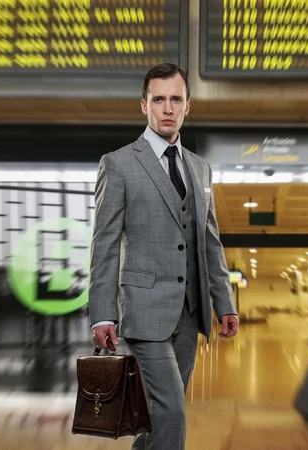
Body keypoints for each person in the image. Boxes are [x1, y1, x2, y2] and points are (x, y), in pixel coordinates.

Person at [88, 63, 239, 450]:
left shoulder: (200, 169)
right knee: (172, 413)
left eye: (176, 99)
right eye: (159, 99)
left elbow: (210, 242)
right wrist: (103, 312)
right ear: (144, 105)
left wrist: (225, 303)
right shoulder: (119, 164)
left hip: (189, 315)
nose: (167, 108)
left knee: (157, 419)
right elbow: (104, 243)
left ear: (188, 106)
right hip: (144, 312)